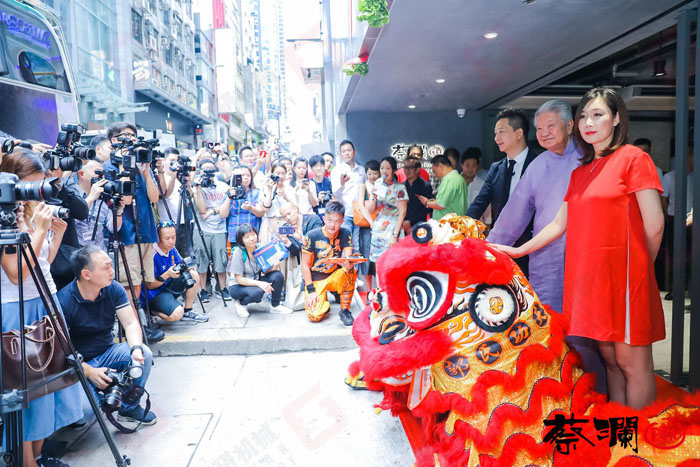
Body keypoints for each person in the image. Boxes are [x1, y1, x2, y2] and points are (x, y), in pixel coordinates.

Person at [494, 87, 665, 410]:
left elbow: (654, 224)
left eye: (598, 115)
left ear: (616, 118)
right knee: (611, 360)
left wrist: (640, 274)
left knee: (632, 363)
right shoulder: (581, 171)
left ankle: (641, 436)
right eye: (584, 115)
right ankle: (619, 429)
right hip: (592, 282)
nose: (589, 122)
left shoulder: (633, 158)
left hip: (626, 281)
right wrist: (515, 251)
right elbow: (558, 225)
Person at [487, 100, 607, 394]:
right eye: (539, 129)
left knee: (586, 333)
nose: (544, 133)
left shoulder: (590, 158)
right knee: (550, 329)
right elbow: (514, 214)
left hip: (587, 260)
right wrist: (489, 249)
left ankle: (598, 393)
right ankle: (559, 393)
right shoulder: (538, 165)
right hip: (546, 260)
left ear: (570, 125)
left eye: (551, 126)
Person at [0, 151, 83, 467]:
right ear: (12, 184)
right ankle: (26, 462)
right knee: (27, 394)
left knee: (48, 389)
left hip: (46, 302)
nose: (37, 193)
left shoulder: (31, 211)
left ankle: (36, 456)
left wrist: (55, 235)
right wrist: (40, 230)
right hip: (20, 310)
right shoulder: (5, 217)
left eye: (40, 185)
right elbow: (16, 274)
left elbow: (41, 263)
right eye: (31, 186)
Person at [58, 245, 157, 429]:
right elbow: (60, 350)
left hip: (108, 352)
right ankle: (89, 397)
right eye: (106, 267)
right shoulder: (64, 301)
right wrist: (89, 371)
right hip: (79, 364)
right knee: (84, 413)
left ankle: (128, 408)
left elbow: (130, 323)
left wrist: (136, 349)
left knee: (144, 354)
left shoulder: (113, 288)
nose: (112, 271)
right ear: (86, 274)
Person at [103, 122, 163, 343]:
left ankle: (139, 325)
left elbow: (155, 197)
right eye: (125, 136)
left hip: (145, 231)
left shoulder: (141, 163)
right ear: (114, 141)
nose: (131, 140)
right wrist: (123, 165)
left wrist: (146, 173)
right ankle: (135, 329)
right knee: (129, 284)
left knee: (140, 283)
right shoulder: (110, 166)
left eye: (133, 136)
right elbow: (126, 200)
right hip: (126, 234)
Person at [467, 108, 538, 225]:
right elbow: (479, 203)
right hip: (500, 234)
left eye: (501, 132)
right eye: (496, 133)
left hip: (532, 234)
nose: (496, 138)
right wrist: (461, 225)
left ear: (519, 133)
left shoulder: (538, 164)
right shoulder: (496, 168)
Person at [302, 201, 357, 325]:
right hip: (316, 279)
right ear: (324, 219)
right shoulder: (311, 236)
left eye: (337, 221)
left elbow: (348, 257)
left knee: (351, 271)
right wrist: (311, 291)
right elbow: (305, 265)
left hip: (334, 275)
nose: (332, 225)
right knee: (314, 316)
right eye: (329, 220)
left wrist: (348, 264)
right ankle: (324, 302)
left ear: (342, 222)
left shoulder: (346, 233)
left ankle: (345, 310)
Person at [143, 222, 208, 323]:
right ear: (158, 238)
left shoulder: (172, 249)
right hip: (155, 293)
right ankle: (151, 311)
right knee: (177, 314)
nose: (171, 241)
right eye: (167, 238)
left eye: (173, 237)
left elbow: (180, 264)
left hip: (168, 286)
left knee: (193, 274)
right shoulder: (152, 254)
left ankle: (188, 310)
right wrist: (166, 275)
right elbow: (149, 285)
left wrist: (188, 268)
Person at [226, 223, 293, 317]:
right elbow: (239, 279)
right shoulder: (238, 252)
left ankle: (275, 306)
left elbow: (264, 270)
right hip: (238, 286)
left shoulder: (260, 247)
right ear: (241, 240)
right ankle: (240, 303)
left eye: (253, 234)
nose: (252, 238)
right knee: (257, 293)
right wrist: (261, 284)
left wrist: (275, 266)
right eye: (247, 237)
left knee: (277, 276)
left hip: (254, 280)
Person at [192, 158, 231, 301]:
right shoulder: (197, 186)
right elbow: (201, 210)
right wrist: (198, 189)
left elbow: (224, 211)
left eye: (211, 168)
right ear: (200, 171)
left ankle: (222, 288)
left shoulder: (223, 186)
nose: (208, 171)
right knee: (201, 260)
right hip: (202, 229)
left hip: (219, 229)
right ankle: (203, 290)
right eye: (205, 168)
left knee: (221, 260)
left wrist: (212, 211)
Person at [67, 159, 122, 251]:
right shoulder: (70, 194)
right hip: (76, 253)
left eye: (103, 173)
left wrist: (119, 212)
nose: (102, 177)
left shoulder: (104, 196)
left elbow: (113, 228)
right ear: (81, 174)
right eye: (97, 172)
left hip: (99, 252)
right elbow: (69, 222)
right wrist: (91, 197)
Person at [368, 157, 408, 264]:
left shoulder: (400, 188)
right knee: (377, 262)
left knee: (392, 262)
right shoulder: (378, 185)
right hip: (379, 228)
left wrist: (395, 235)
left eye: (388, 168)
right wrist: (373, 195)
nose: (384, 171)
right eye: (382, 168)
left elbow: (403, 212)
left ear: (394, 170)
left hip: (393, 228)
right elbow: (370, 210)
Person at [220, 165, 264, 256]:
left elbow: (261, 213)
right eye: (242, 175)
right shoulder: (230, 192)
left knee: (253, 259)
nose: (246, 178)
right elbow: (223, 214)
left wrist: (251, 208)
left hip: (252, 234)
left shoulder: (256, 193)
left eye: (248, 175)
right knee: (237, 259)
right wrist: (229, 197)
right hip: (235, 234)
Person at [330, 140, 366, 252]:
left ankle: (355, 265)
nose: (347, 153)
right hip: (345, 214)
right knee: (345, 246)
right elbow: (335, 193)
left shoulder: (361, 170)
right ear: (340, 154)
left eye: (349, 150)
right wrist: (342, 184)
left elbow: (366, 190)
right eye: (344, 151)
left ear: (354, 152)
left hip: (359, 213)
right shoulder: (337, 170)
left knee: (357, 247)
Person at [355, 160, 381, 290]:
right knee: (366, 258)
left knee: (380, 259)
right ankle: (369, 291)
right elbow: (361, 206)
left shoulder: (384, 186)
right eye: (369, 174)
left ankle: (380, 290)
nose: (372, 177)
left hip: (382, 227)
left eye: (375, 173)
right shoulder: (363, 186)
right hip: (366, 228)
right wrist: (371, 222)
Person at [418, 154, 468, 220]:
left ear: (440, 166)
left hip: (448, 223)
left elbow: (440, 204)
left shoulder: (449, 179)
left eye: (434, 171)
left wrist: (426, 202)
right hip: (454, 221)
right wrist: (434, 201)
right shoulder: (459, 178)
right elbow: (448, 201)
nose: (435, 175)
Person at [259, 161, 294, 244]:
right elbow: (266, 208)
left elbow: (296, 208)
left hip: (286, 222)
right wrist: (269, 189)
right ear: (272, 174)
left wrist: (286, 197)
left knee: (287, 247)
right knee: (268, 248)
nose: (280, 176)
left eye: (283, 173)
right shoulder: (265, 188)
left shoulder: (290, 189)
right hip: (269, 222)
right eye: (278, 173)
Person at [401, 156, 433, 235]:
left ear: (418, 169)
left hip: (420, 225)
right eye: (405, 167)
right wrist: (404, 222)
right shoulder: (401, 186)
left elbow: (427, 208)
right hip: (403, 225)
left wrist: (410, 222)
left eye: (410, 168)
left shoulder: (425, 185)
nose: (407, 170)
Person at [461, 148, 492, 226]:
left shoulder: (482, 184)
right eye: (467, 165)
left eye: (473, 166)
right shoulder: (454, 182)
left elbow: (487, 206)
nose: (470, 169)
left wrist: (488, 224)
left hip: (477, 226)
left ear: (478, 167)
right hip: (457, 225)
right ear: (462, 165)